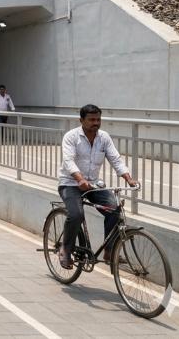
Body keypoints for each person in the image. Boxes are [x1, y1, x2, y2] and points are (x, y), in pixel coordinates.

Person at [57, 105, 138, 269]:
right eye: (91, 120)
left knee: (114, 210)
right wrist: (79, 179)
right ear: (81, 120)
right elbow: (68, 161)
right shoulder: (71, 137)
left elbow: (116, 159)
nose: (96, 123)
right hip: (70, 183)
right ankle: (65, 249)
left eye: (98, 119)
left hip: (92, 184)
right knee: (76, 214)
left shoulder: (104, 138)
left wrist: (128, 178)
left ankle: (109, 252)